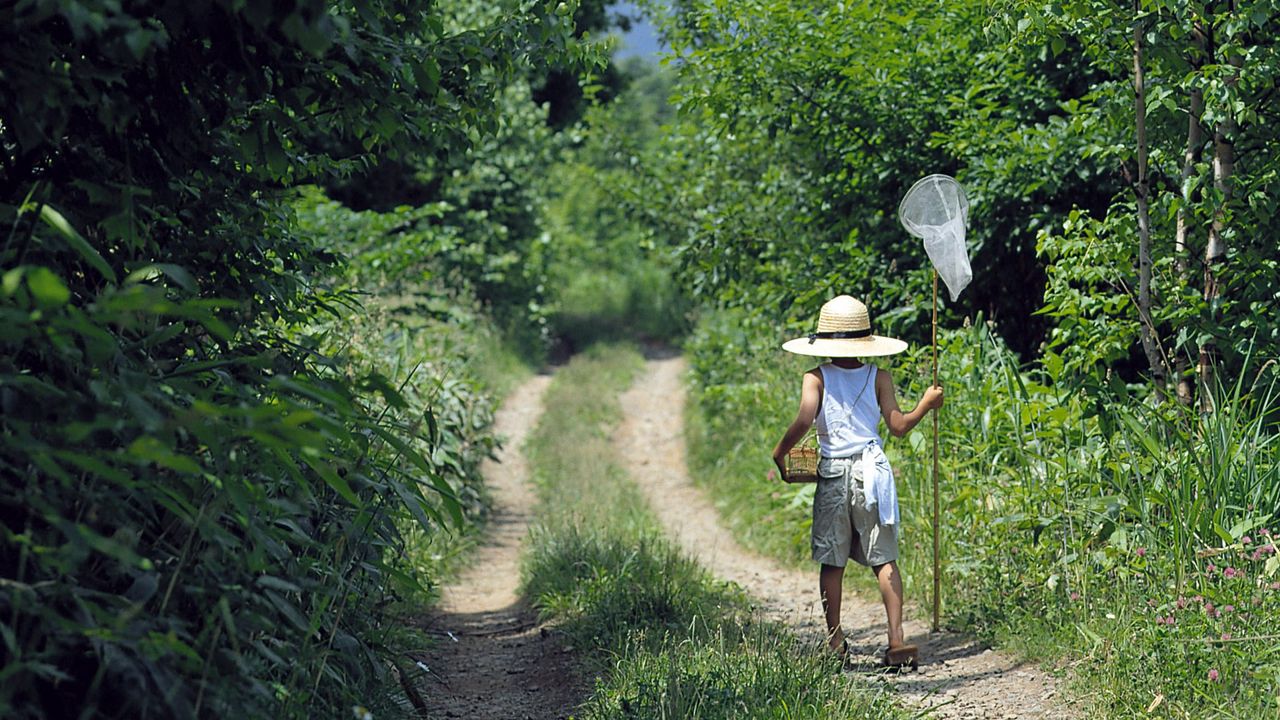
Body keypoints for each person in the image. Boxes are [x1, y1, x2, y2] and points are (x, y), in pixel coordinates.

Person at [771, 295, 943, 669]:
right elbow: (898, 427)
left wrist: (780, 452)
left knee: (832, 562)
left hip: (833, 472)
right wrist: (926, 404)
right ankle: (897, 641)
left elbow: (803, 421)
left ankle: (835, 642)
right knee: (884, 558)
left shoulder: (815, 377)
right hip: (871, 473)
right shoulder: (879, 377)